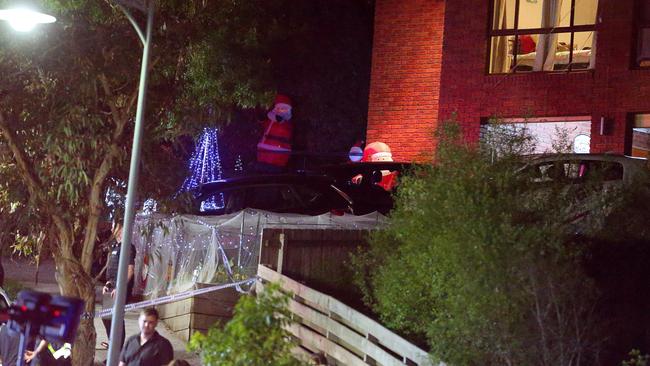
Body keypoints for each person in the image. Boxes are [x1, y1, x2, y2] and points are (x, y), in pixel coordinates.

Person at [101, 222, 136, 350]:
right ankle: (113, 345)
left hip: (121, 288)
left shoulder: (128, 247)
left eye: (115, 226)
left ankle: (117, 351)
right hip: (111, 286)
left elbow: (130, 270)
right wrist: (108, 283)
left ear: (121, 229)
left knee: (116, 319)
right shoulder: (115, 246)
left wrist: (120, 288)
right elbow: (112, 268)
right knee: (106, 317)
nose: (111, 228)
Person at [256, 94, 294, 173]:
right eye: (278, 108)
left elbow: (284, 130)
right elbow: (264, 125)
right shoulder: (271, 120)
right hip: (263, 152)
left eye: (283, 109)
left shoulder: (285, 123)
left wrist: (276, 118)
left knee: (272, 175)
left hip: (278, 154)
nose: (280, 110)